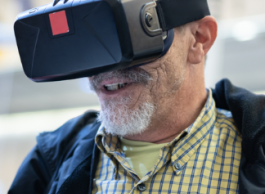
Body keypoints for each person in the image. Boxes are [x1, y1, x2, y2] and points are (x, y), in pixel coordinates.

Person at [8, 7, 265, 194]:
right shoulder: (50, 162)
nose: (106, 70)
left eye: (133, 34)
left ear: (199, 39)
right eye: (93, 41)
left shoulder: (256, 151)